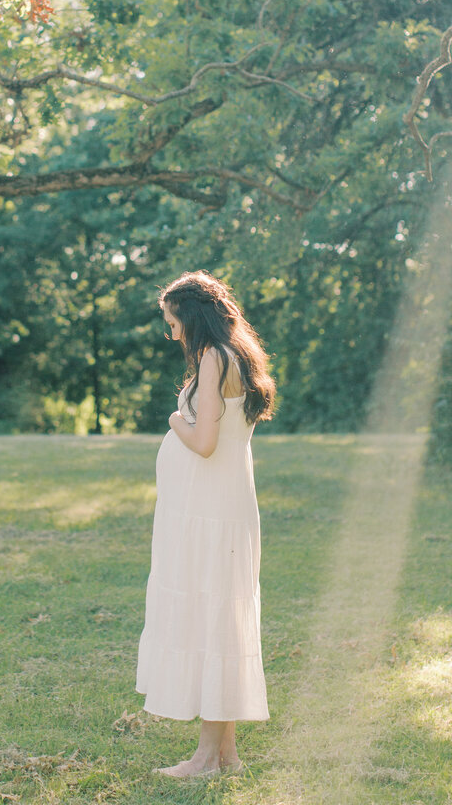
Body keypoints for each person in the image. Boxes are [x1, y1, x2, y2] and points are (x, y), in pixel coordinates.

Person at [136, 269, 276, 778]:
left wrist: (175, 421)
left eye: (172, 322)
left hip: (211, 513)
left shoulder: (216, 360)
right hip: (214, 509)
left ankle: (203, 759)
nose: (170, 332)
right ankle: (227, 755)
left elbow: (205, 442)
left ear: (192, 318)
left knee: (212, 621)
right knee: (219, 621)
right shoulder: (234, 355)